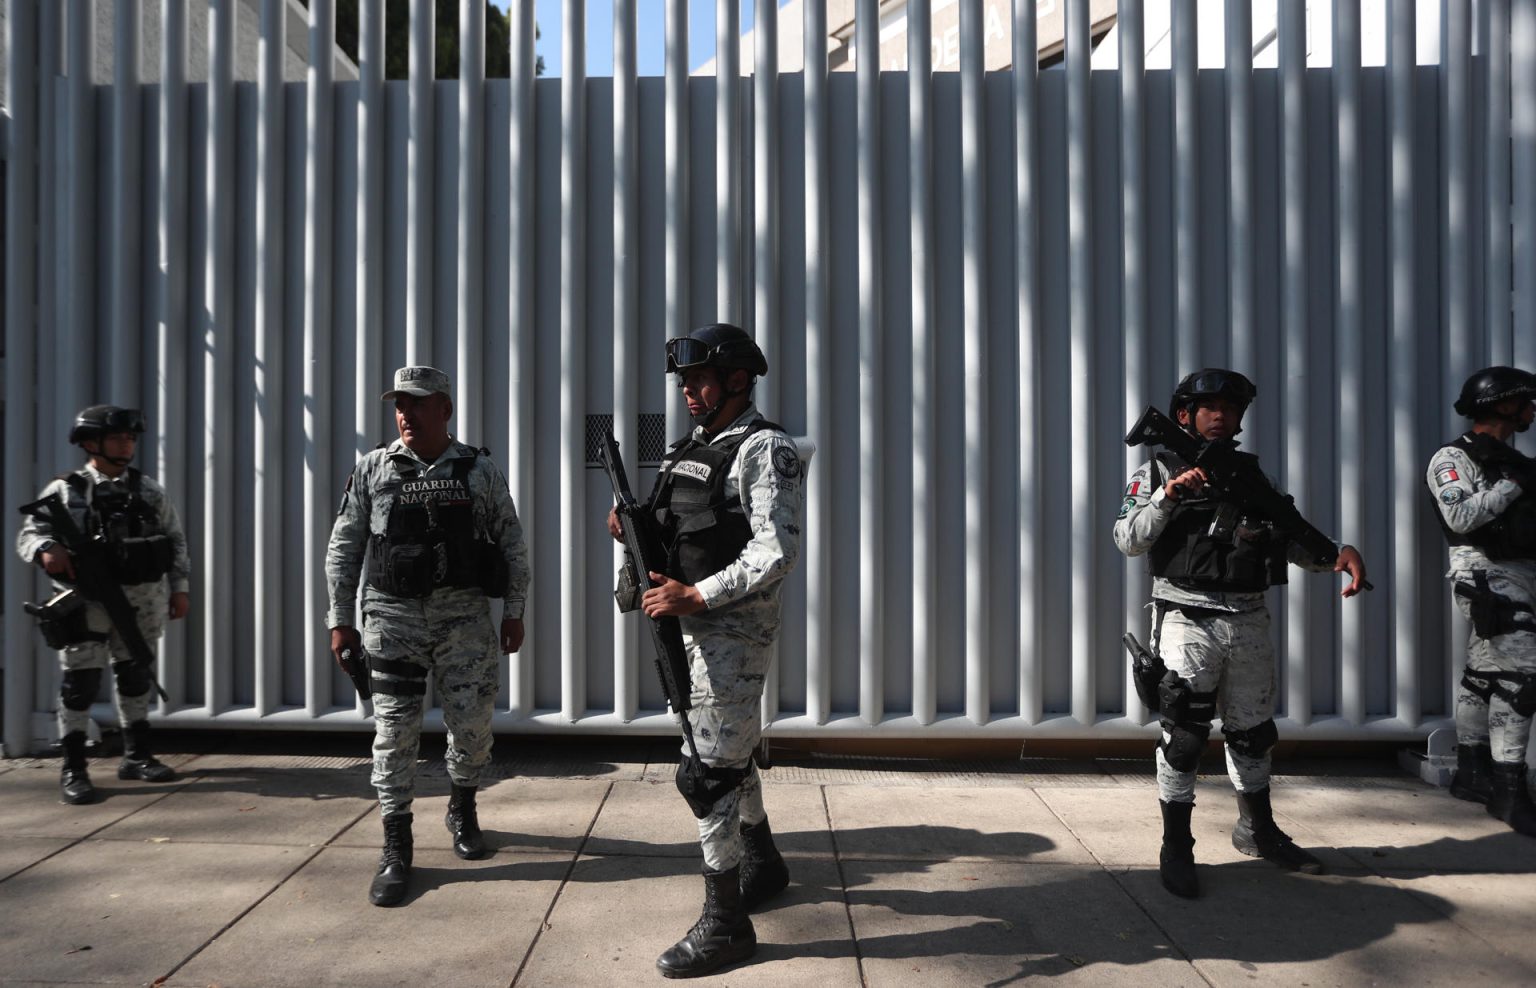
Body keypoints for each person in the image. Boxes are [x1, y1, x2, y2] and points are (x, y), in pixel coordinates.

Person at [1114, 369, 1368, 899]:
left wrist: (1336, 554)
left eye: (1230, 408)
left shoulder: (1255, 477)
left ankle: (1257, 829)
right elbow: (1127, 539)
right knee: (1184, 734)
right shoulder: (1156, 467)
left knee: (1253, 734)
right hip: (1186, 618)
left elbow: (1290, 536)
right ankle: (1176, 845)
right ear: (1183, 415)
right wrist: (1167, 496)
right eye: (1208, 407)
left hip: (1249, 618)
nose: (1220, 415)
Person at [606, 323, 804, 978]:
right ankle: (763, 860)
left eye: (699, 379)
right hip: (685, 627)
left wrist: (698, 596)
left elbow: (775, 550)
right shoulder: (691, 448)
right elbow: (675, 529)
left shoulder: (764, 447)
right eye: (684, 382)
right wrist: (629, 534)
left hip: (733, 631)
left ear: (738, 380)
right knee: (729, 752)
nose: (688, 391)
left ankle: (725, 925)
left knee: (706, 771)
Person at [325, 366, 530, 907]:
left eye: (417, 403)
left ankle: (462, 806)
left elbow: (511, 541)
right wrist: (339, 619)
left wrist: (514, 610)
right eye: (399, 404)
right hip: (392, 620)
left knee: (472, 728)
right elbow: (344, 546)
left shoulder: (478, 470)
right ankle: (397, 845)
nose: (405, 414)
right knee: (393, 734)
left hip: (464, 621)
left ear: (445, 409)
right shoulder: (373, 468)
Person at [16, 405, 191, 804]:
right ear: (91, 444)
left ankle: (137, 756)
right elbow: (30, 533)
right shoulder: (66, 491)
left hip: (142, 601)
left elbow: (175, 540)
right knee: (80, 685)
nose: (127, 444)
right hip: (85, 602)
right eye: (118, 438)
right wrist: (46, 548)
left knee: (134, 676)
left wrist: (179, 588)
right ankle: (74, 767)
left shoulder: (148, 490)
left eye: (130, 438)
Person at [1427, 365, 1536, 836]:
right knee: (1521, 676)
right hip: (1484, 573)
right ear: (1503, 403)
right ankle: (1510, 792)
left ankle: (1473, 774)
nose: (1533, 410)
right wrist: (1514, 487)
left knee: (1484, 673)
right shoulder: (1452, 458)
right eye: (1526, 401)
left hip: (1519, 572)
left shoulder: (1512, 459)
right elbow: (1461, 514)